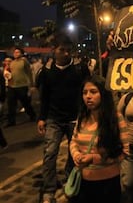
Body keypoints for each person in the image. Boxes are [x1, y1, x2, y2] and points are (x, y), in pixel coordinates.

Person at [37, 32, 90, 203]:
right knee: (50, 153)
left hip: (75, 118)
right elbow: (44, 96)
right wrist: (41, 118)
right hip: (54, 118)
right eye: (62, 50)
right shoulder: (47, 71)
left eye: (69, 50)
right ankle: (49, 189)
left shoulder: (79, 69)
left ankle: (70, 180)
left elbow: (88, 91)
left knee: (73, 153)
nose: (66, 53)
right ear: (54, 50)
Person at [69, 75, 129, 203]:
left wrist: (94, 159)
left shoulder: (115, 118)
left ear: (103, 94)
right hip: (84, 182)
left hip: (108, 184)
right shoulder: (82, 117)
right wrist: (76, 155)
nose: (88, 96)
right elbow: (73, 140)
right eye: (85, 93)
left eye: (93, 92)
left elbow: (125, 151)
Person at [6, 47, 37, 126]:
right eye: (15, 52)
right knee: (11, 104)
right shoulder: (12, 62)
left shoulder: (24, 61)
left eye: (18, 52)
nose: (16, 53)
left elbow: (29, 73)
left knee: (25, 103)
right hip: (12, 86)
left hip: (22, 86)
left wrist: (31, 84)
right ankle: (11, 122)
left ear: (21, 53)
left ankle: (33, 116)